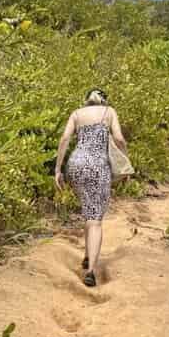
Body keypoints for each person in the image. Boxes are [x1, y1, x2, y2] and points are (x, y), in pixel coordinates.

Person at [54, 88, 127, 287]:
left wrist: (58, 170)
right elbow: (119, 138)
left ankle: (88, 255)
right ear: (104, 100)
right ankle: (91, 271)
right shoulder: (108, 112)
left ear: (86, 100)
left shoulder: (76, 114)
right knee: (95, 219)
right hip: (97, 166)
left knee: (89, 211)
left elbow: (64, 139)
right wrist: (125, 160)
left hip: (75, 165)